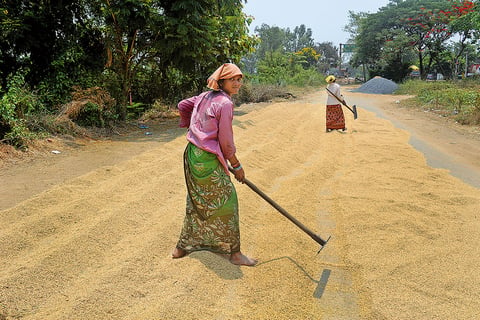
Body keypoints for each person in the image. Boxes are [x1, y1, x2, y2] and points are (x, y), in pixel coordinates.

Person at [172, 63, 258, 266]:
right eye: (232, 79)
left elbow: (182, 105)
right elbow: (226, 143)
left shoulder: (203, 96)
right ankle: (235, 254)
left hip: (192, 154)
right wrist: (237, 166)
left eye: (239, 79)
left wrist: (194, 128)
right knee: (228, 201)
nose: (237, 83)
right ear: (221, 82)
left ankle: (181, 247)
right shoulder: (225, 104)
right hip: (208, 158)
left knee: (197, 200)